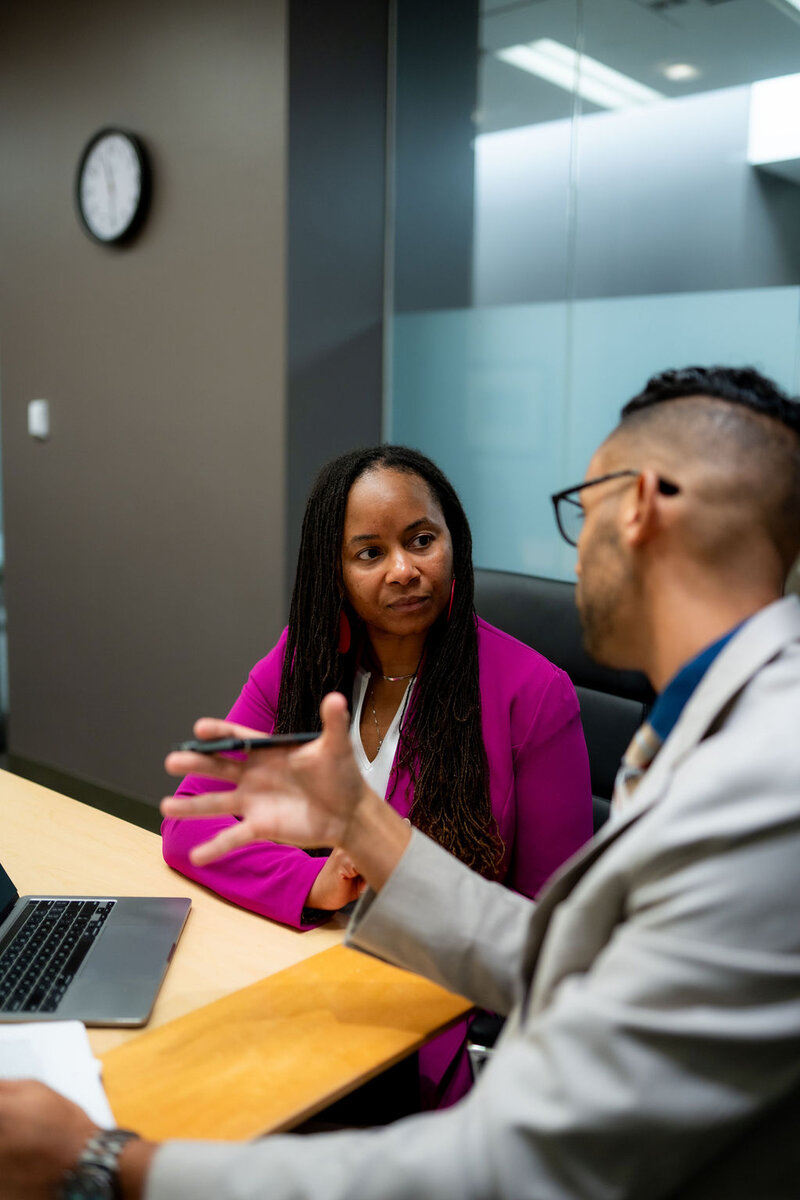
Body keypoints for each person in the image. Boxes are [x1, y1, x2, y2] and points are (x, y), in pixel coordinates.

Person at [3, 365, 800, 1200]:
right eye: (369, 552)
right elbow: (573, 960)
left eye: (583, 510)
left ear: (636, 506)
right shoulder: (726, 728)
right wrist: (359, 826)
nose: (404, 570)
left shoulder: (763, 782)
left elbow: (514, 1165)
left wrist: (111, 1163)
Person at [161, 444, 593, 1107]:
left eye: (422, 540)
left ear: (455, 541)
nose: (404, 571)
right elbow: (191, 825)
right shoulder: (302, 663)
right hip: (301, 974)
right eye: (369, 553)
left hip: (431, 1015)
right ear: (333, 571)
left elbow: (553, 929)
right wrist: (315, 881)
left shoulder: (533, 692)